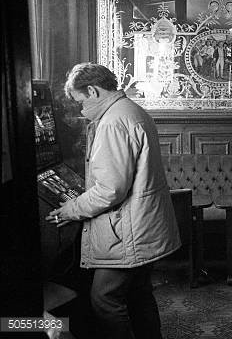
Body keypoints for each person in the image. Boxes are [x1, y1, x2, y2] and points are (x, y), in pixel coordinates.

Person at [45, 63, 181, 339]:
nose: (80, 111)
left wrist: (71, 209)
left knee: (104, 299)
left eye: (79, 102)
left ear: (93, 90)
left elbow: (110, 190)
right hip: (142, 226)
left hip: (129, 232)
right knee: (139, 295)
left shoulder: (113, 121)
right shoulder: (130, 111)